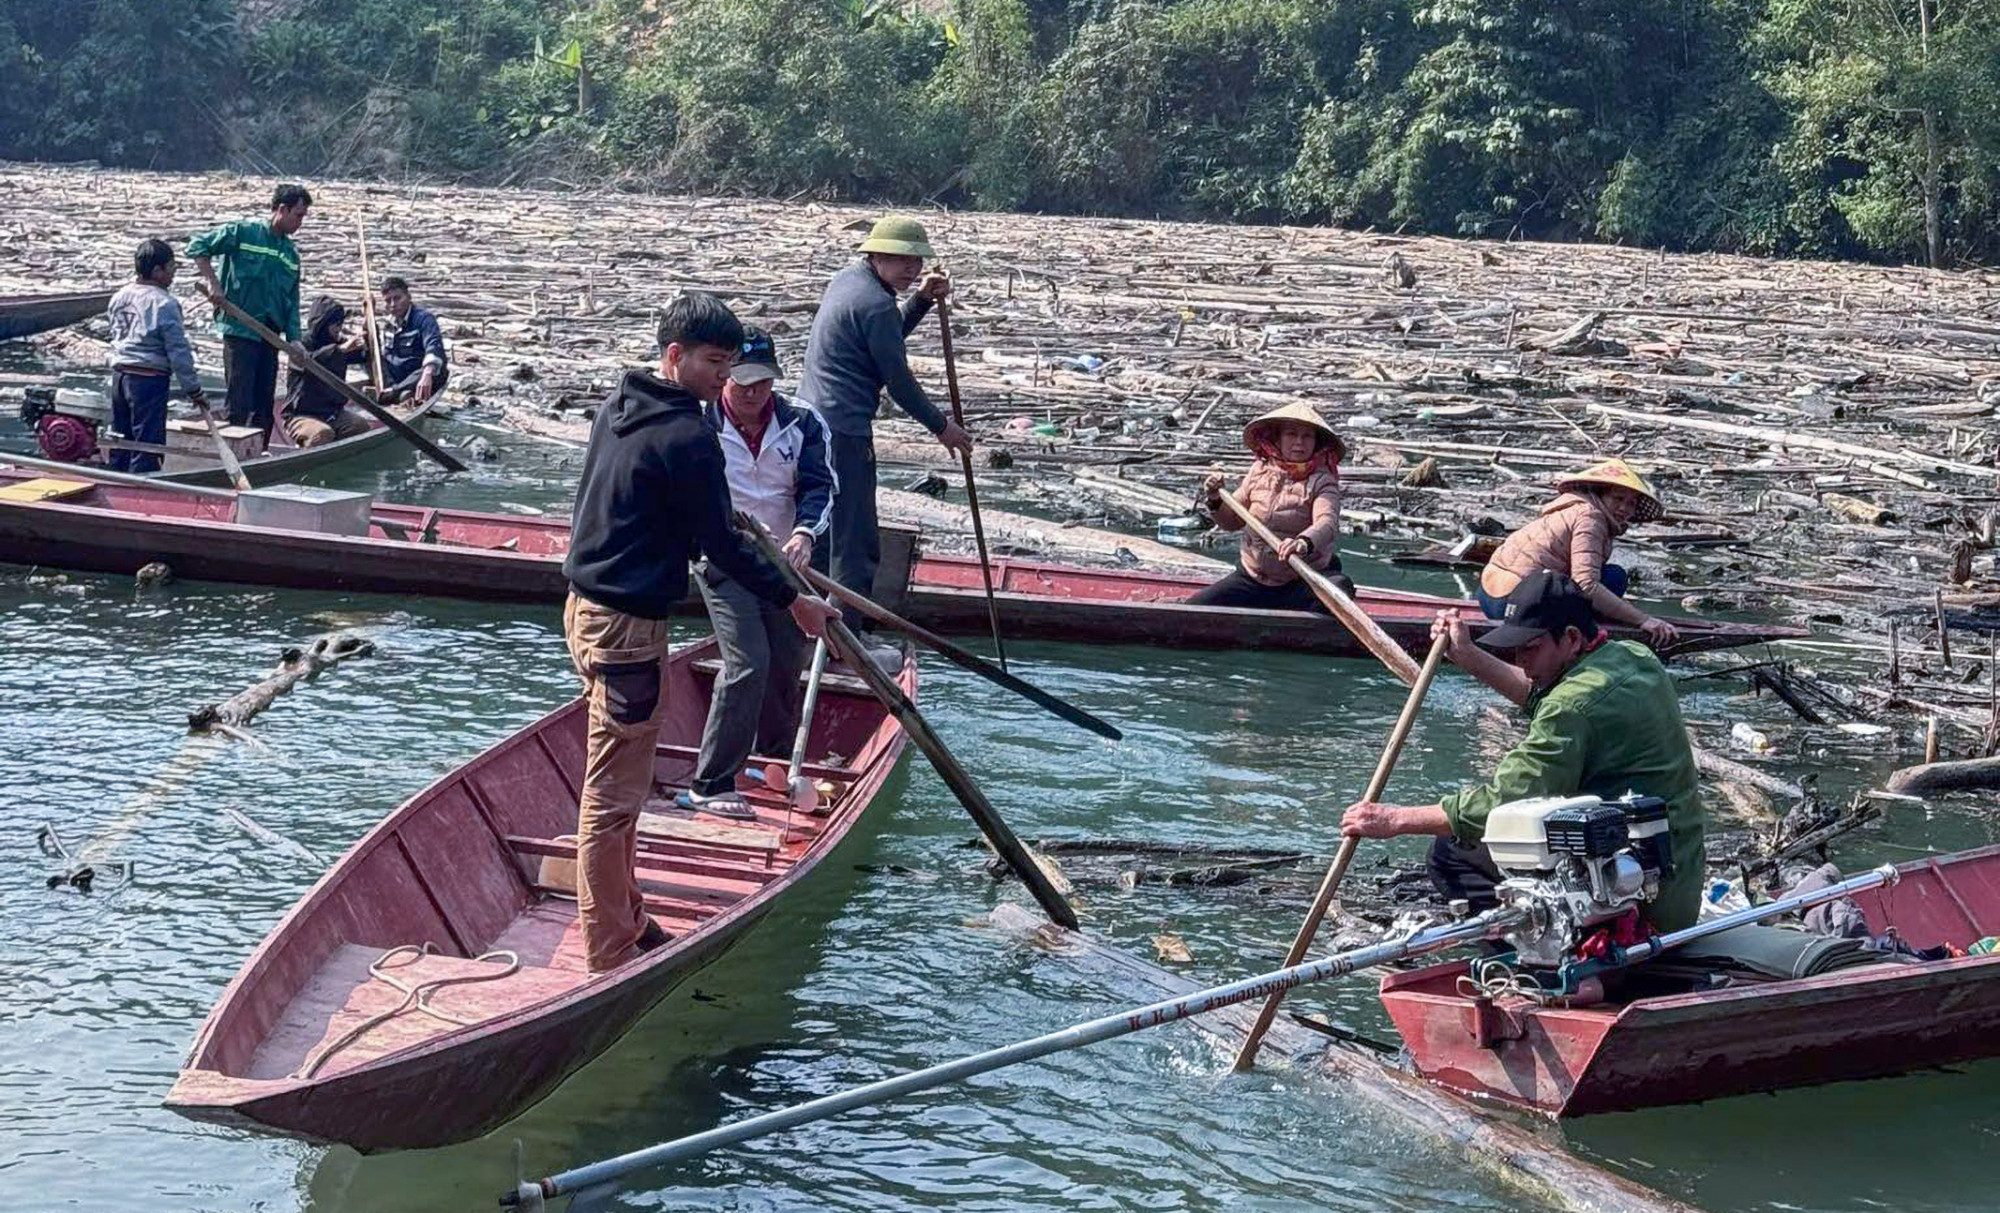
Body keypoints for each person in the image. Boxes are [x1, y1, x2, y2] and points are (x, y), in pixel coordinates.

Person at [562, 293, 837, 972]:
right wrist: (795, 598)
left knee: (621, 780)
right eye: (715, 363)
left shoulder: (619, 406)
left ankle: (628, 912)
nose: (725, 377)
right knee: (613, 797)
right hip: (626, 627)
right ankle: (608, 947)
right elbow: (717, 542)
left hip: (585, 610)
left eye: (732, 363)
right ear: (675, 355)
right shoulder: (689, 437)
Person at [1340, 570, 1706, 931]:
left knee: (1453, 852)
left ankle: (1542, 964)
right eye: (1515, 649)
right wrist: (1467, 655)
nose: (1521, 661)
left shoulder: (1570, 708)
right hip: (1679, 880)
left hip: (1640, 900)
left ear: (1572, 638)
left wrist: (1395, 820)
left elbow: (1503, 801)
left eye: (1530, 649)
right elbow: (1543, 694)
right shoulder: (1633, 657)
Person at [795, 215, 972, 662]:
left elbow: (881, 341)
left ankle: (811, 631)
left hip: (812, 424)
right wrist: (941, 426)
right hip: (844, 431)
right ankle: (846, 641)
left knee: (822, 531)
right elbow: (896, 378)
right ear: (875, 254)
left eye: (916, 260)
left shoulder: (849, 283)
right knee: (854, 543)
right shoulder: (874, 304)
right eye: (901, 259)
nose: (911, 268)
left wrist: (921, 302)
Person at [681, 326, 839, 816]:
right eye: (743, 383)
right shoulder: (700, 424)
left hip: (785, 561)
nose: (753, 393)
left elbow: (820, 487)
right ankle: (711, 782)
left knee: (783, 665)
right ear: (724, 377)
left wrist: (804, 534)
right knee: (747, 662)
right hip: (724, 558)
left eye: (763, 383)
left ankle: (772, 763)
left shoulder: (803, 424)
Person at [1480, 459, 1679, 647]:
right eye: (1617, 498)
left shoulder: (1574, 509)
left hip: (1488, 596)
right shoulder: (1591, 518)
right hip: (1515, 606)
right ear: (1600, 495)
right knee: (1614, 577)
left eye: (1631, 503)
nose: (1624, 508)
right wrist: (1643, 620)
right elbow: (1587, 585)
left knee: (1607, 576)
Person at [1189, 402, 1355, 609]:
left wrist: (1302, 543)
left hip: (1300, 580)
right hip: (1253, 579)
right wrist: (1214, 499)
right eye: (1291, 435)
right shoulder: (1259, 472)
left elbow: (1327, 522)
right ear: (1277, 438)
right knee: (1195, 607)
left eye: (1307, 436)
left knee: (1340, 587)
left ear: (1316, 442)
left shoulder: (1323, 480)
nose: (1299, 443)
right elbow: (1231, 521)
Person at [187, 183, 312, 440]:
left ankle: (260, 453)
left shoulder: (290, 255)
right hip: (240, 330)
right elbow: (198, 246)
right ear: (281, 209)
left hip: (270, 335)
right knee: (239, 400)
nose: (300, 222)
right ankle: (236, 454)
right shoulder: (243, 233)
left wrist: (295, 339)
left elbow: (292, 300)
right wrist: (214, 282)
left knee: (264, 403)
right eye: (298, 215)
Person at [104, 238, 208, 474]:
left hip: (120, 377)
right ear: (157, 270)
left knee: (120, 437)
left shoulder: (119, 297)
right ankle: (142, 489)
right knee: (147, 443)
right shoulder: (164, 303)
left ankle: (115, 479)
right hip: (147, 379)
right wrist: (193, 389)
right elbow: (178, 352)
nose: (173, 274)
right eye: (171, 268)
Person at [283, 296, 371, 448]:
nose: (339, 328)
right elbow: (310, 362)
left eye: (340, 324)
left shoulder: (337, 342)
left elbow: (363, 356)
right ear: (323, 324)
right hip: (301, 415)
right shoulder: (301, 345)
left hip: (331, 413)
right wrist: (340, 350)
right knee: (322, 434)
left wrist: (369, 332)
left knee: (360, 426)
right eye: (335, 324)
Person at [374, 275, 449, 405]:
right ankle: (394, 392)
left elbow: (434, 345)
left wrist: (427, 373)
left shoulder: (424, 319)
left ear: (408, 296)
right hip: (396, 376)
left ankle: (394, 393)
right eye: (388, 301)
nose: (393, 305)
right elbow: (385, 354)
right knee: (369, 354)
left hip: (416, 375)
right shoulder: (388, 323)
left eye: (397, 298)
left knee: (437, 370)